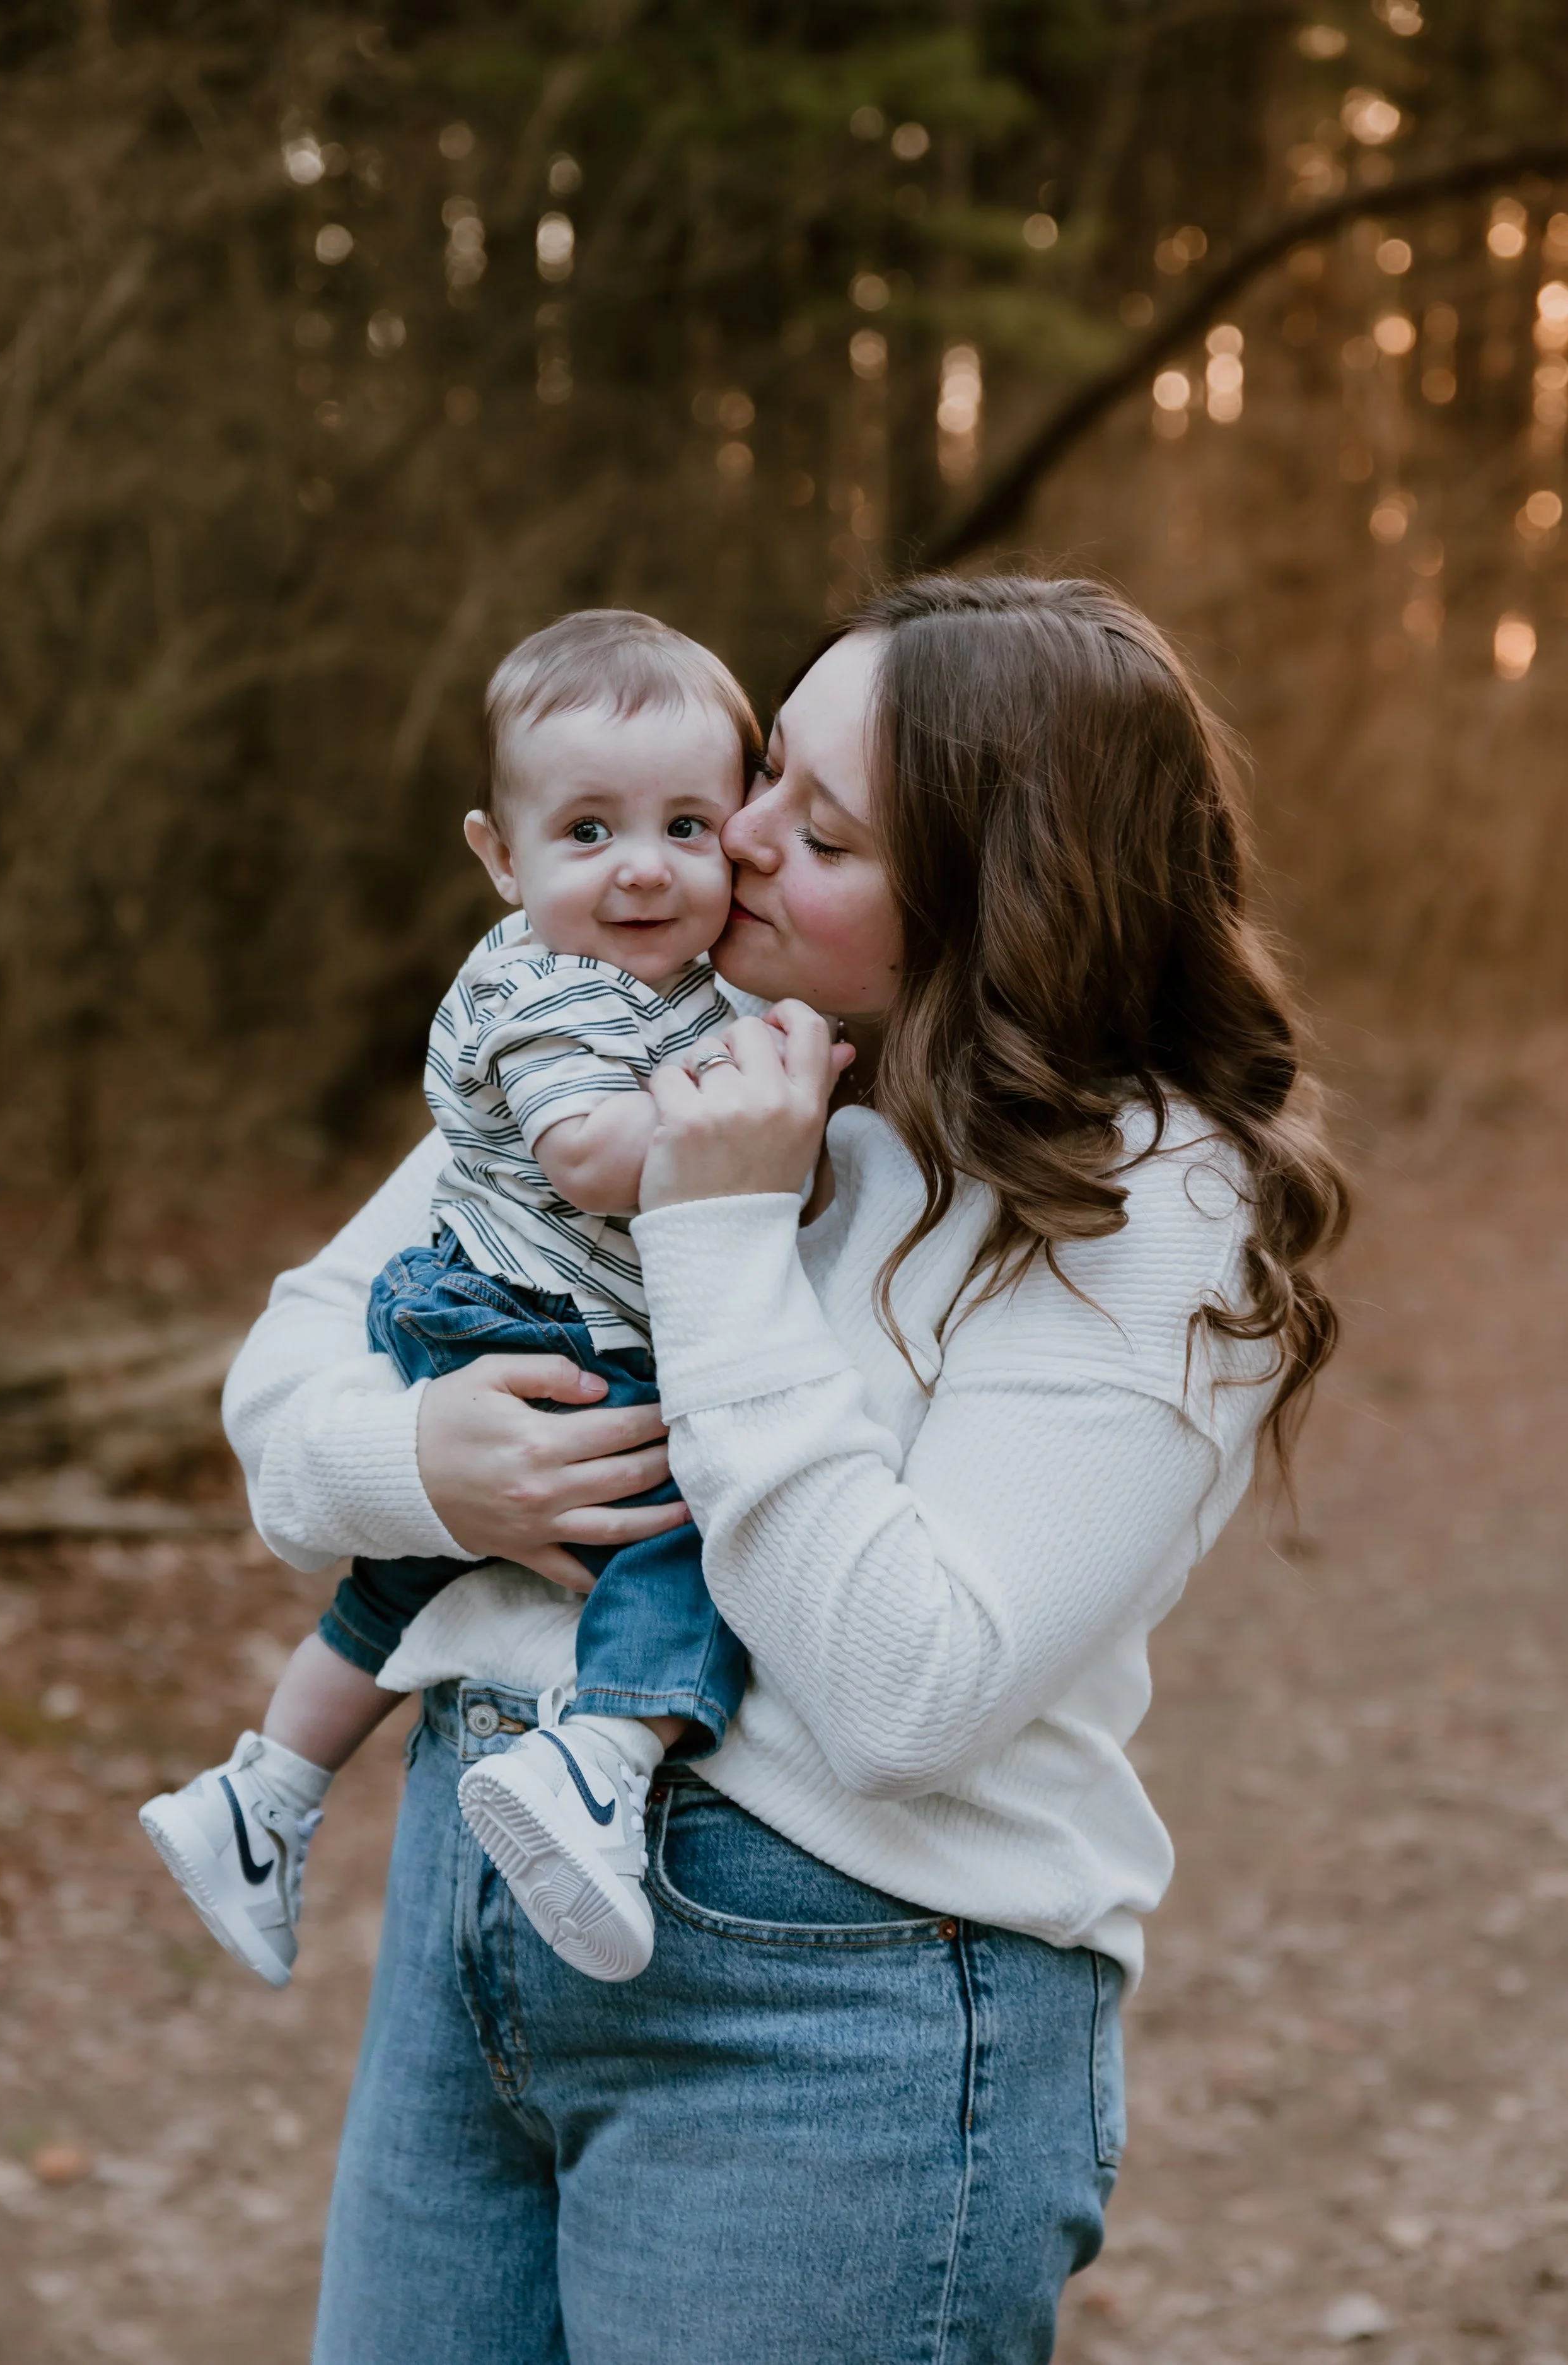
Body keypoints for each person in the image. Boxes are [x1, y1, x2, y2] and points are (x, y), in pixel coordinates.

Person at [222, 576, 1347, 2364]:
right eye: (764, 776)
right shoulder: (640, 1024)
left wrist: (721, 1228)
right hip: (473, 1915)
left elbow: (905, 1687)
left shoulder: (1147, 1198)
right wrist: (425, 1463)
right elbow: (287, 1397)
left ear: (996, 901)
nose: (727, 844)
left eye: (811, 828)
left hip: (839, 2015)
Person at [140, 610, 794, 1989]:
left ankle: (260, 1795)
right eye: (587, 833)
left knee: (410, 1575)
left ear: (742, 830)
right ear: (500, 858)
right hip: (528, 1321)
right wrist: (767, 1109)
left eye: (686, 825)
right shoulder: (552, 992)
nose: (640, 869)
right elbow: (589, 1158)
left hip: (507, 1309)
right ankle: (601, 1761)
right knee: (685, 1522)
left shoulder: (670, 985)